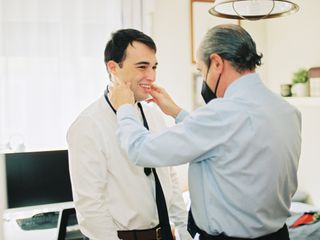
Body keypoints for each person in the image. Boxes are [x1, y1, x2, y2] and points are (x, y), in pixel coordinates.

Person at [109, 24, 302, 240]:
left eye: (201, 71)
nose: (203, 79)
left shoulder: (221, 113)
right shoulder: (287, 111)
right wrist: (177, 112)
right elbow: (230, 143)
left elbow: (140, 150)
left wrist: (124, 108)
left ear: (217, 63)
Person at [67, 29, 192, 240]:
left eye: (154, 67)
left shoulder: (154, 115)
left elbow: (168, 178)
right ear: (113, 68)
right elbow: (90, 205)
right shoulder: (88, 125)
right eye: (142, 67)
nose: (151, 76)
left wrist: (184, 231)